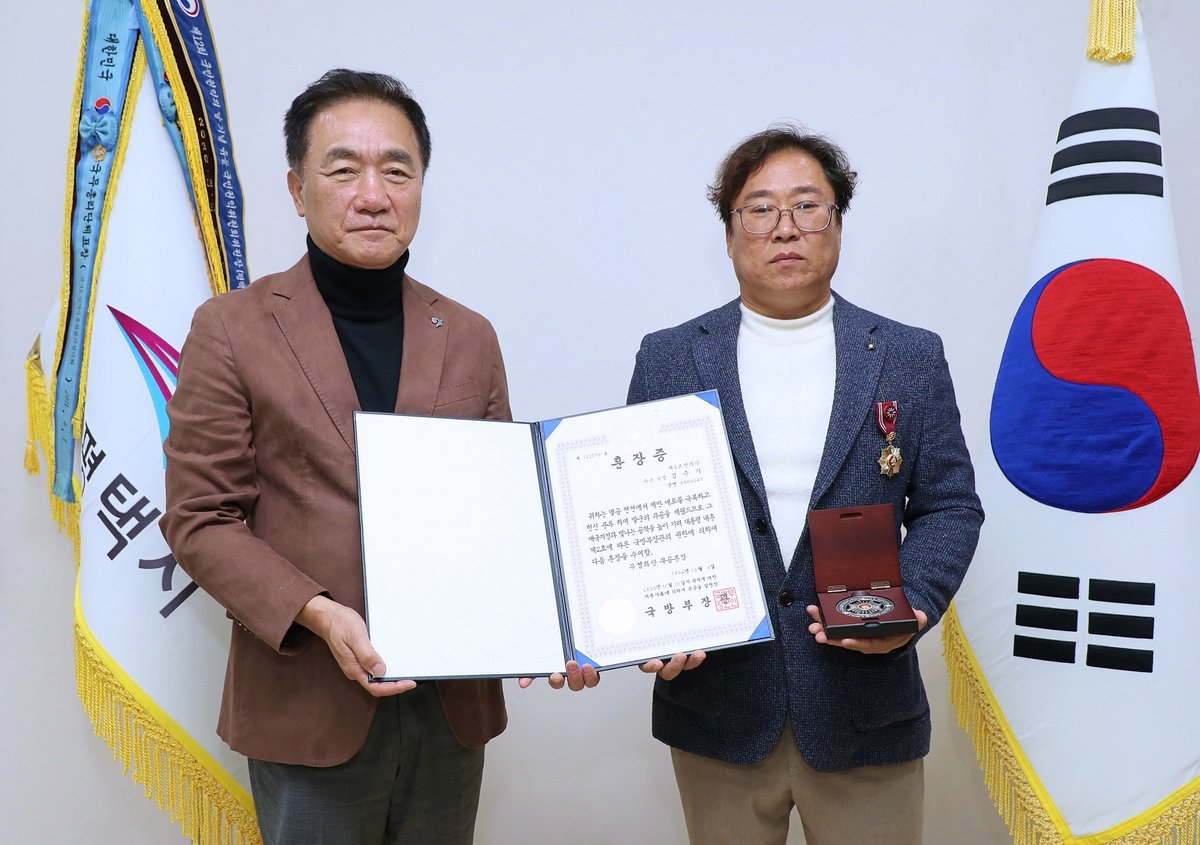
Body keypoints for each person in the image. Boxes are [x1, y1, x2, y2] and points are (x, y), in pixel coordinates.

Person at [161, 69, 594, 845]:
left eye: (397, 170)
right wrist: (319, 612)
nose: (373, 194)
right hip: (307, 700)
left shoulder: (469, 334)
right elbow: (200, 518)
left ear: (422, 185)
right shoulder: (231, 328)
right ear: (297, 189)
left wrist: (563, 622)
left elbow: (504, 513)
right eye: (343, 169)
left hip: (451, 708)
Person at [627, 126, 984, 845]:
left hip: (866, 709)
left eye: (807, 206)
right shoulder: (669, 357)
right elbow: (640, 511)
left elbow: (949, 504)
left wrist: (910, 607)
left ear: (838, 224)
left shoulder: (909, 356)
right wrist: (646, 620)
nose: (784, 227)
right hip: (719, 708)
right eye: (759, 209)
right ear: (729, 234)